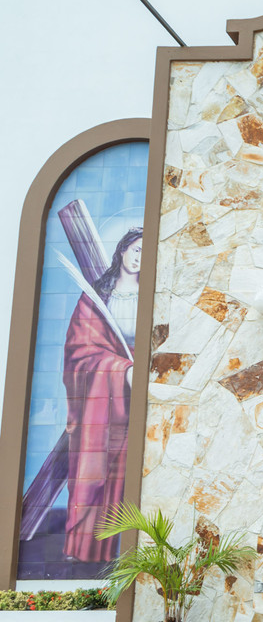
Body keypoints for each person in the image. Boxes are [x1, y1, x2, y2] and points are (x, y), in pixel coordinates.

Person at [62, 228, 141, 562]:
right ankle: (84, 548)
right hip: (104, 400)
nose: (140, 257)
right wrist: (120, 370)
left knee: (125, 472)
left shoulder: (154, 292)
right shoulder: (98, 296)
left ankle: (115, 552)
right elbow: (79, 351)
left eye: (147, 251)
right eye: (136, 249)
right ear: (122, 251)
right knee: (91, 468)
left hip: (135, 401)